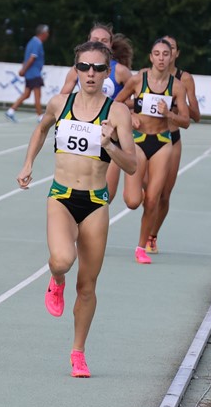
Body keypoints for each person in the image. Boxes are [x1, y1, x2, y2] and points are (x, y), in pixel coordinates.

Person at [16, 40, 137, 378]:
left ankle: (78, 352)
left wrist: (110, 144)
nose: (90, 74)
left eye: (98, 68)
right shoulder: (60, 103)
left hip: (96, 202)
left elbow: (132, 165)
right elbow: (41, 130)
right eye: (84, 67)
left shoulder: (117, 113)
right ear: (76, 70)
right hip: (62, 196)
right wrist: (28, 163)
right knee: (62, 260)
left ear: (107, 72)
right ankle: (56, 280)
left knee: (87, 286)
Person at [116, 37, 189, 263]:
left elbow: (186, 121)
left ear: (172, 56)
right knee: (132, 201)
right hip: (138, 141)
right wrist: (131, 115)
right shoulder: (138, 80)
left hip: (162, 143)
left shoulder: (177, 86)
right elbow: (116, 103)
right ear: (150, 57)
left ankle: (141, 247)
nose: (161, 58)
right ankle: (135, 190)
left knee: (152, 200)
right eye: (157, 54)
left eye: (165, 54)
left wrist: (169, 114)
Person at [58, 23, 135, 199]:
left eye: (104, 40)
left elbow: (137, 99)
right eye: (95, 39)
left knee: (105, 195)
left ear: (110, 44)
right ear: (88, 41)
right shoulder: (78, 70)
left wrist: (125, 111)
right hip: (82, 133)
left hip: (110, 136)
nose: (100, 43)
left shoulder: (121, 71)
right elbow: (63, 98)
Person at [140, 34, 200, 254]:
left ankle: (152, 236)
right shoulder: (144, 76)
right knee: (148, 192)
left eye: (171, 50)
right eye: (161, 52)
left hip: (171, 139)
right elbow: (128, 100)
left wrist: (175, 103)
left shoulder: (184, 80)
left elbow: (195, 116)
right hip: (144, 137)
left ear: (176, 53)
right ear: (153, 55)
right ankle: (146, 215)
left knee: (164, 195)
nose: (166, 55)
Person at [6, 24, 50, 123]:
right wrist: (24, 70)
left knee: (26, 94)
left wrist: (24, 70)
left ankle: (11, 111)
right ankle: (40, 116)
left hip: (31, 73)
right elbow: (31, 58)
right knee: (37, 96)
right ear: (43, 33)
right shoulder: (37, 43)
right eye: (47, 33)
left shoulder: (32, 42)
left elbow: (27, 58)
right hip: (34, 73)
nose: (48, 35)